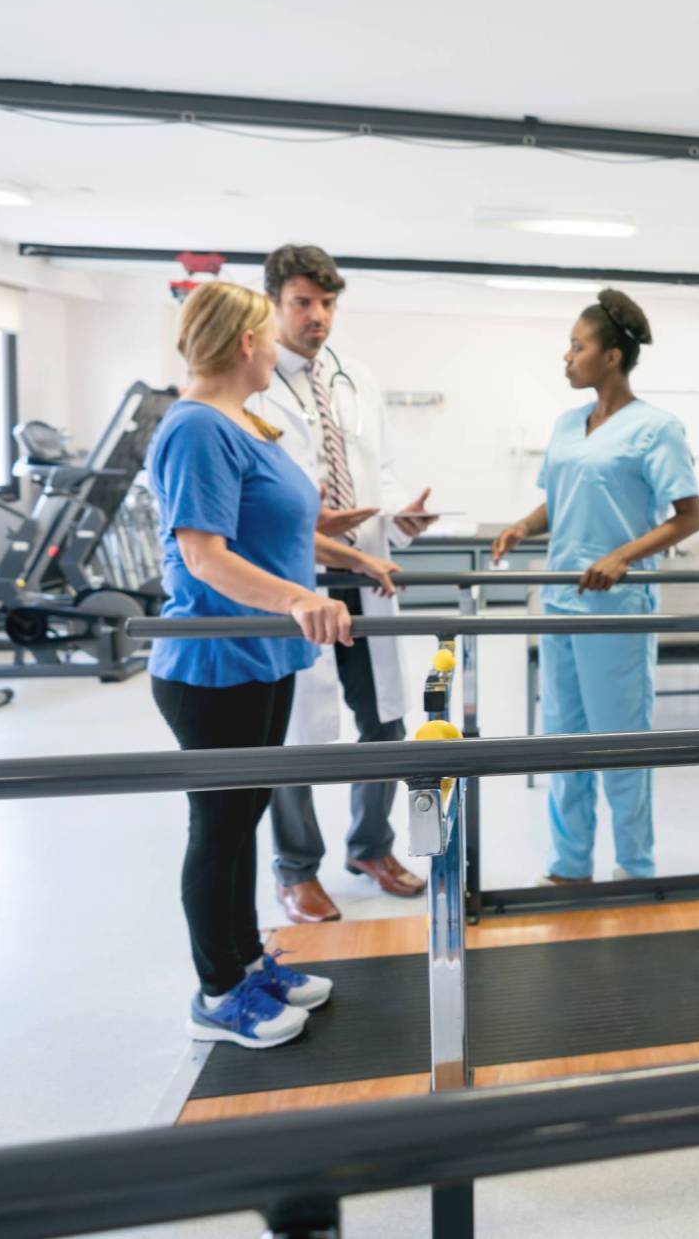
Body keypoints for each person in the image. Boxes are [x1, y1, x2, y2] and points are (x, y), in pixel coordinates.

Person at [147, 281, 400, 1049]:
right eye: (271, 329)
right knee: (219, 827)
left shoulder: (243, 424)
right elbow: (204, 554)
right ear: (247, 342)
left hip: (263, 655)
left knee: (246, 814)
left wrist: (350, 553)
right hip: (212, 661)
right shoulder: (195, 428)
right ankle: (218, 991)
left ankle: (246, 959)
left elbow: (280, 523)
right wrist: (298, 598)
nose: (285, 343)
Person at [249, 244, 433, 924]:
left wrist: (400, 521)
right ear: (274, 302)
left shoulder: (355, 376)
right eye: (303, 302)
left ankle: (372, 846)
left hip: (363, 571)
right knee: (296, 732)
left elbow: (376, 470)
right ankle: (296, 870)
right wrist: (313, 521)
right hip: (292, 578)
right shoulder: (255, 377)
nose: (318, 316)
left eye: (327, 303)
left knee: (384, 718)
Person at [493, 290, 699, 883]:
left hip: (618, 610)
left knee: (622, 743)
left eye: (577, 345)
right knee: (564, 739)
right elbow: (559, 503)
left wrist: (621, 557)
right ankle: (569, 864)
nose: (567, 356)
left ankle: (635, 867)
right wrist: (522, 526)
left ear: (611, 357)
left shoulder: (657, 429)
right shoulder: (567, 424)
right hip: (559, 602)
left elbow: (688, 517)